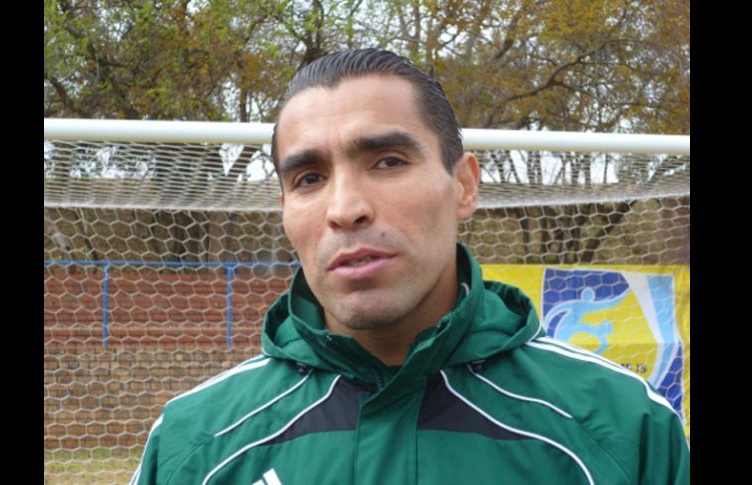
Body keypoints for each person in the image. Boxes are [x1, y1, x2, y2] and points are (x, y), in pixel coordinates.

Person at [131, 48, 689, 485]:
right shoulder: (193, 443)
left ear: (464, 185)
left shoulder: (625, 427)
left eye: (388, 162)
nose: (345, 208)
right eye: (309, 178)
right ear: (284, 209)